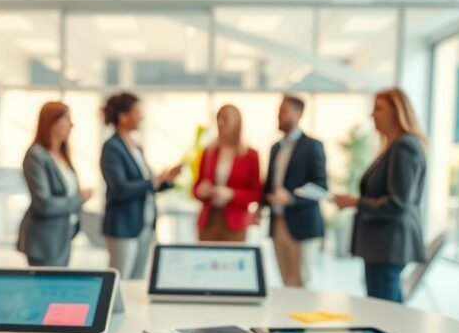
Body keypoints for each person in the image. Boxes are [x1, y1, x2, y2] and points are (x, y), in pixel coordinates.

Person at [334, 87, 427, 303]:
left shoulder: (404, 146)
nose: (372, 115)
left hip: (388, 246)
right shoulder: (393, 147)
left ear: (397, 112)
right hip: (383, 246)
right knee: (387, 309)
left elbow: (398, 204)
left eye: (378, 109)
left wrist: (355, 202)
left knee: (384, 311)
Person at [100, 92, 182, 280]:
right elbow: (120, 189)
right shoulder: (112, 147)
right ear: (123, 116)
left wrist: (166, 180)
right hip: (123, 226)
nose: (141, 117)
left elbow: (145, 187)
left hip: (144, 225)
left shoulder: (136, 146)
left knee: (137, 279)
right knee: (120, 279)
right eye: (137, 112)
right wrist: (153, 181)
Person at [17, 102, 94, 267]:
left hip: (63, 237)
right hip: (44, 242)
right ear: (52, 122)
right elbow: (44, 204)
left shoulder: (62, 155)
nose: (71, 125)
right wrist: (79, 198)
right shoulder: (36, 155)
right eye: (67, 119)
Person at [265, 95, 326, 288]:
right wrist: (261, 205)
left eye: (284, 110)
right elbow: (269, 184)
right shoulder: (276, 148)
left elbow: (320, 187)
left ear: (298, 114)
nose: (278, 115)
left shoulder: (312, 146)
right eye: (278, 110)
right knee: (286, 282)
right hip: (278, 222)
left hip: (303, 225)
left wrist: (291, 199)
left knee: (303, 282)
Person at [192, 105, 262, 242]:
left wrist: (232, 194)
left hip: (235, 222)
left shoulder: (251, 155)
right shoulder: (209, 152)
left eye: (225, 118)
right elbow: (195, 188)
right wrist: (201, 191)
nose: (220, 123)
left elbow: (256, 193)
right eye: (218, 118)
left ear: (237, 122)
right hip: (209, 220)